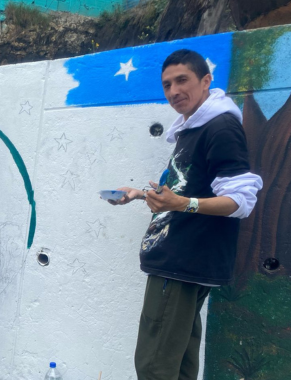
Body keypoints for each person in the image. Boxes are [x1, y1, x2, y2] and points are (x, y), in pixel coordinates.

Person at [109, 49, 263, 379]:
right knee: (179, 366)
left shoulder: (220, 127)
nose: (174, 91)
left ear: (206, 81)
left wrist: (182, 204)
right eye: (167, 85)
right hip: (182, 262)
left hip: (183, 263)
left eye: (182, 80)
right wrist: (139, 194)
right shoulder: (193, 126)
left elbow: (240, 201)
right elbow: (185, 190)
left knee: (154, 367)